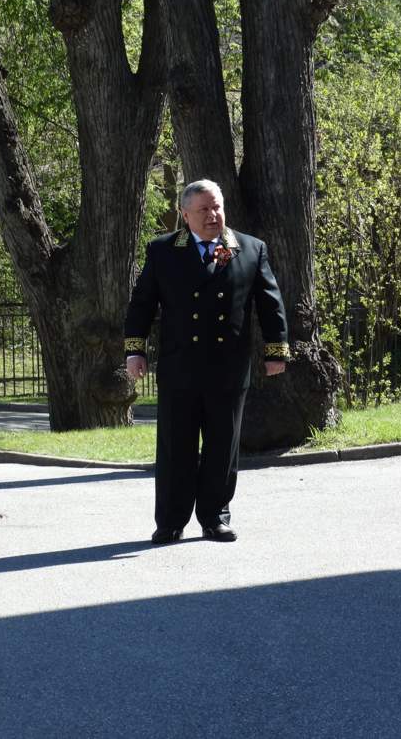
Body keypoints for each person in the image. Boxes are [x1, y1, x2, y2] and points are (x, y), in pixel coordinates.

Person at [124, 179, 289, 543]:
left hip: (228, 368)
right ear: (185, 215)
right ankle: (171, 521)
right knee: (176, 447)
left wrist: (275, 351)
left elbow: (270, 303)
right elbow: (142, 304)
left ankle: (215, 517)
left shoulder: (250, 248)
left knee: (222, 446)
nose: (213, 215)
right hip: (179, 368)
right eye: (204, 209)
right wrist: (135, 351)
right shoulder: (163, 251)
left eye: (217, 207)